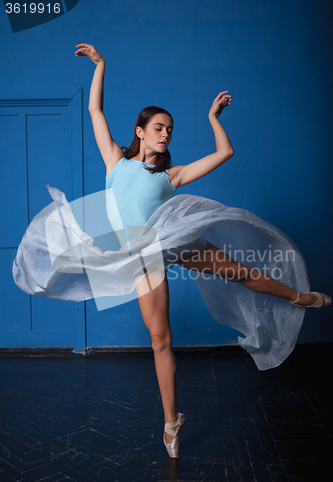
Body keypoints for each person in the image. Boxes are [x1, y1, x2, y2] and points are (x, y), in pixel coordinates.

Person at [12, 43, 331, 459]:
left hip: (174, 240)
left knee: (239, 272)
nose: (166, 133)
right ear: (140, 130)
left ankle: (298, 296)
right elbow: (95, 111)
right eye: (159, 127)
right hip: (141, 257)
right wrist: (101, 65)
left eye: (171, 129)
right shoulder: (115, 162)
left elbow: (225, 153)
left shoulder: (173, 175)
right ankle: (171, 421)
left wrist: (213, 118)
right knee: (160, 338)